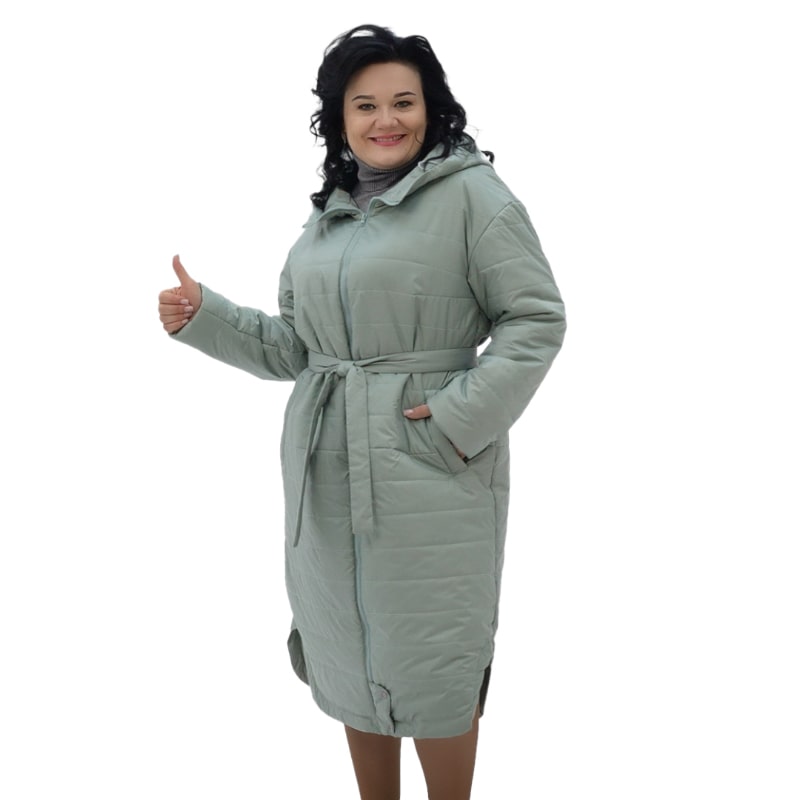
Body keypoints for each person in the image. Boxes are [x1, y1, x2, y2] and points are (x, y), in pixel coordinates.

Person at [158, 24, 565, 800]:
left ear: (432, 108)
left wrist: (456, 421)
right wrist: (205, 316)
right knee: (347, 648)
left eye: (403, 102)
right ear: (339, 120)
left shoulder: (473, 197)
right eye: (365, 105)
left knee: (434, 658)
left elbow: (536, 317)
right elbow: (299, 351)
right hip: (327, 468)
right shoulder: (330, 218)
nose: (386, 120)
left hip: (428, 470)